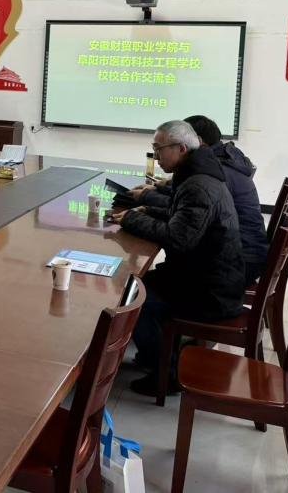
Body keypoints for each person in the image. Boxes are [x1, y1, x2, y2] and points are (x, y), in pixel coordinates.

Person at [113, 120, 244, 396]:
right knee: (135, 283)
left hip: (210, 292)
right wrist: (147, 211)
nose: (155, 156)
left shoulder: (198, 184)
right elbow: (182, 219)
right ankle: (156, 355)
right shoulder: (198, 173)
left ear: (181, 148)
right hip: (206, 276)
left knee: (134, 296)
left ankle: (167, 373)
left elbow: (178, 238)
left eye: (158, 149)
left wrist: (132, 219)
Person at [130, 115, 267, 285]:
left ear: (195, 141)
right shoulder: (216, 163)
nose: (157, 157)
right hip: (225, 260)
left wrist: (145, 198)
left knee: (129, 287)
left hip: (237, 264)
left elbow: (187, 212)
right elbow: (187, 205)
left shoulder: (216, 173)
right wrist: (160, 191)